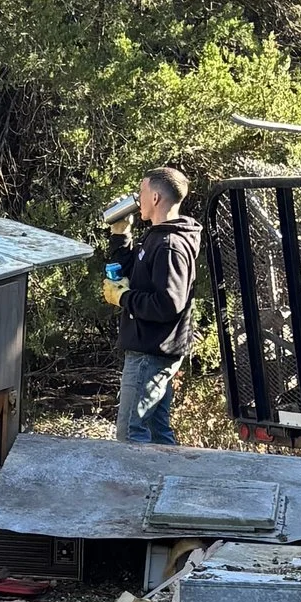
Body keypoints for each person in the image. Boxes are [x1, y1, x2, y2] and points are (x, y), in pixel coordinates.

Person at [113, 166, 201, 444]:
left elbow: (168, 304)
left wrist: (123, 298)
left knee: (130, 434)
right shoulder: (157, 237)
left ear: (154, 198)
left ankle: (136, 489)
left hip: (149, 354)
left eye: (141, 191)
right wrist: (120, 235)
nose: (137, 199)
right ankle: (173, 487)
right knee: (156, 434)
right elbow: (132, 273)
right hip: (151, 351)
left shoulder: (169, 244)